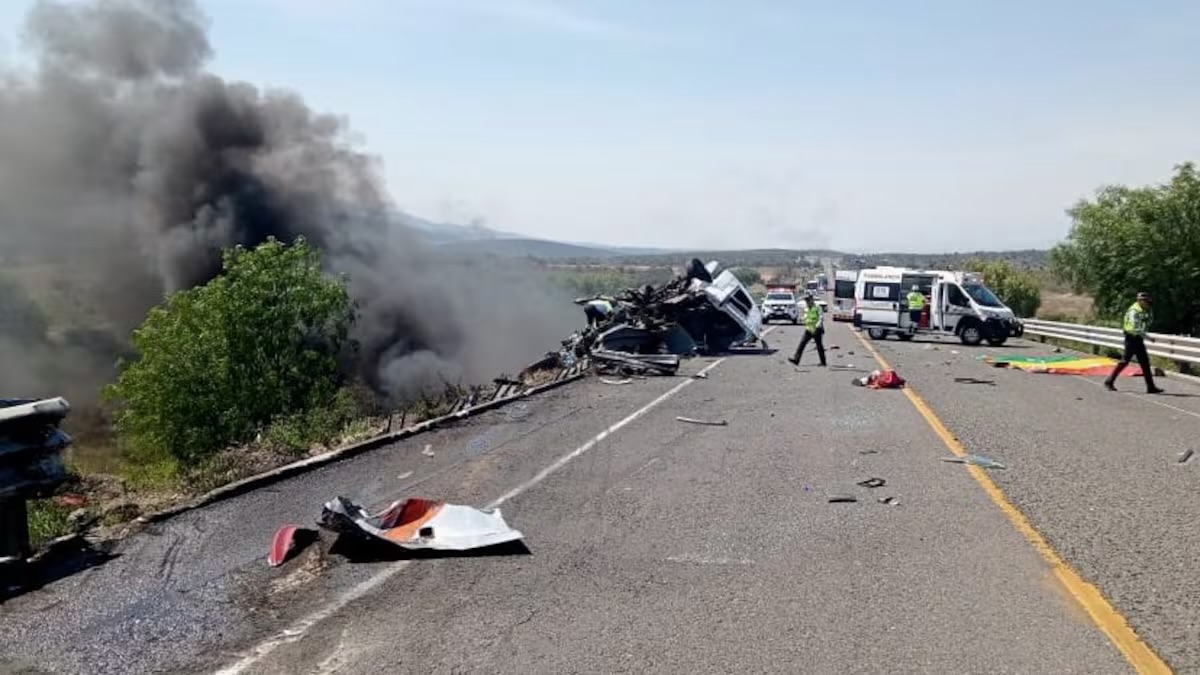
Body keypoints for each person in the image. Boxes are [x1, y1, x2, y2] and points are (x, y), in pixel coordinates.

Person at [1104, 292, 1164, 394]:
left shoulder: (1141, 310)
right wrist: (1148, 337)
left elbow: (1146, 322)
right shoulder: (1134, 311)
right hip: (1131, 338)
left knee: (1145, 363)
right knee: (1124, 361)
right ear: (1140, 301)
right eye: (1146, 302)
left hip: (1137, 339)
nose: (1147, 304)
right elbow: (1136, 328)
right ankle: (1109, 381)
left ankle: (1151, 387)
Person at [788, 295, 826, 367]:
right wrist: (802, 319)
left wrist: (817, 326)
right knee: (802, 344)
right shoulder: (806, 308)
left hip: (817, 330)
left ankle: (823, 362)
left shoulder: (817, 307)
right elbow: (807, 316)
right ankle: (796, 360)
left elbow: (821, 318)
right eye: (806, 301)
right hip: (808, 329)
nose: (807, 302)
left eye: (808, 300)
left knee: (819, 346)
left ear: (812, 300)